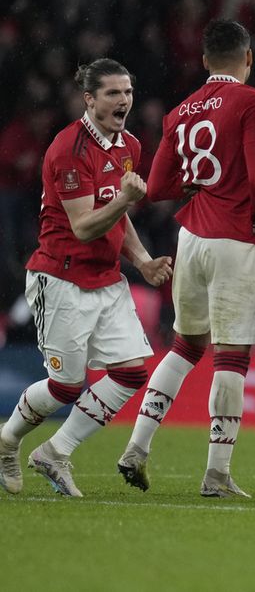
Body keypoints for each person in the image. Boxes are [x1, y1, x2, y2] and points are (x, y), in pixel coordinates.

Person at [117, 20, 255, 498]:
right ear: (248, 59)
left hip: (191, 238)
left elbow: (159, 186)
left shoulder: (180, 110)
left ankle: (137, 447)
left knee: (186, 345)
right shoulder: (251, 102)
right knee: (232, 355)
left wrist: (198, 184)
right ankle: (217, 473)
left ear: (205, 60)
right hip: (234, 238)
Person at [0, 58, 172, 497]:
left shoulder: (128, 144)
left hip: (107, 279)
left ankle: (55, 452)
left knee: (133, 371)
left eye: (128, 92)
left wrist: (143, 259)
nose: (124, 100)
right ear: (89, 99)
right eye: (113, 93)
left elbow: (119, 219)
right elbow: (85, 225)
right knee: (65, 385)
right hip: (61, 277)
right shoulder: (68, 150)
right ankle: (8, 438)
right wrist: (126, 200)